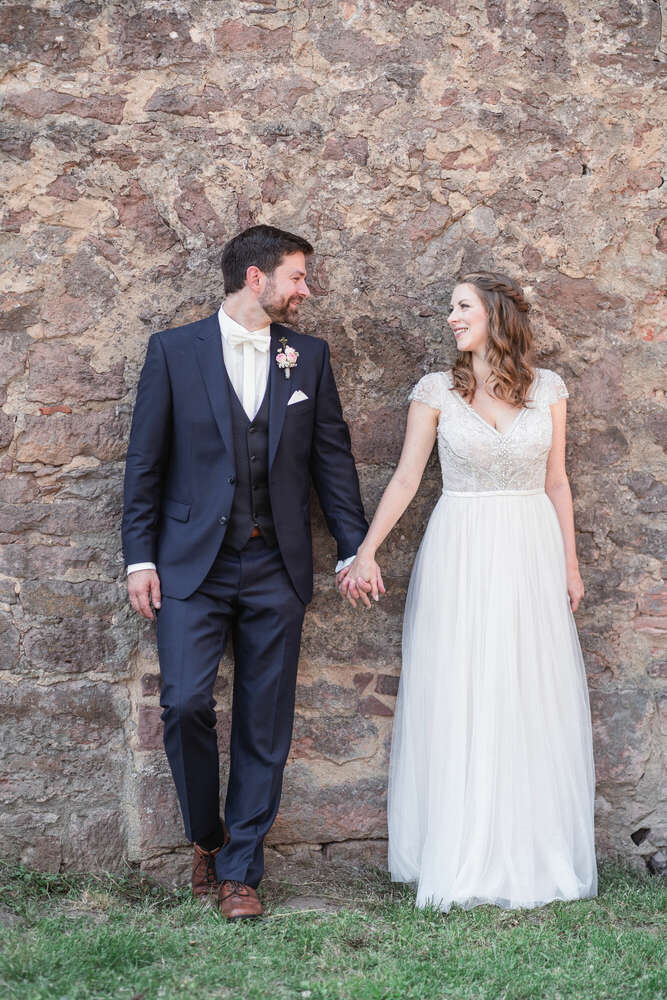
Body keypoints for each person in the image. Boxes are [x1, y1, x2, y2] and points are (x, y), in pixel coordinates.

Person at [122, 224, 372, 919]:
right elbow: (144, 463)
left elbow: (332, 463)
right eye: (297, 276)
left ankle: (241, 873)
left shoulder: (309, 358)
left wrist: (352, 548)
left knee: (266, 724)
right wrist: (139, 556)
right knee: (184, 705)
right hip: (189, 568)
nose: (305, 290)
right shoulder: (173, 352)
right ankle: (207, 836)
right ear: (255, 278)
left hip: (275, 564)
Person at [340, 271, 597, 911]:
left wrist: (569, 563)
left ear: (496, 315)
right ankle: (460, 847)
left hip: (531, 546)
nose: (452, 318)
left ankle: (528, 849)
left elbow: (557, 482)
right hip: (460, 545)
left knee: (526, 687)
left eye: (463, 307)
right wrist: (366, 550)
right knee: (463, 686)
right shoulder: (435, 391)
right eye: (450, 308)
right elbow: (404, 480)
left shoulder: (548, 390)